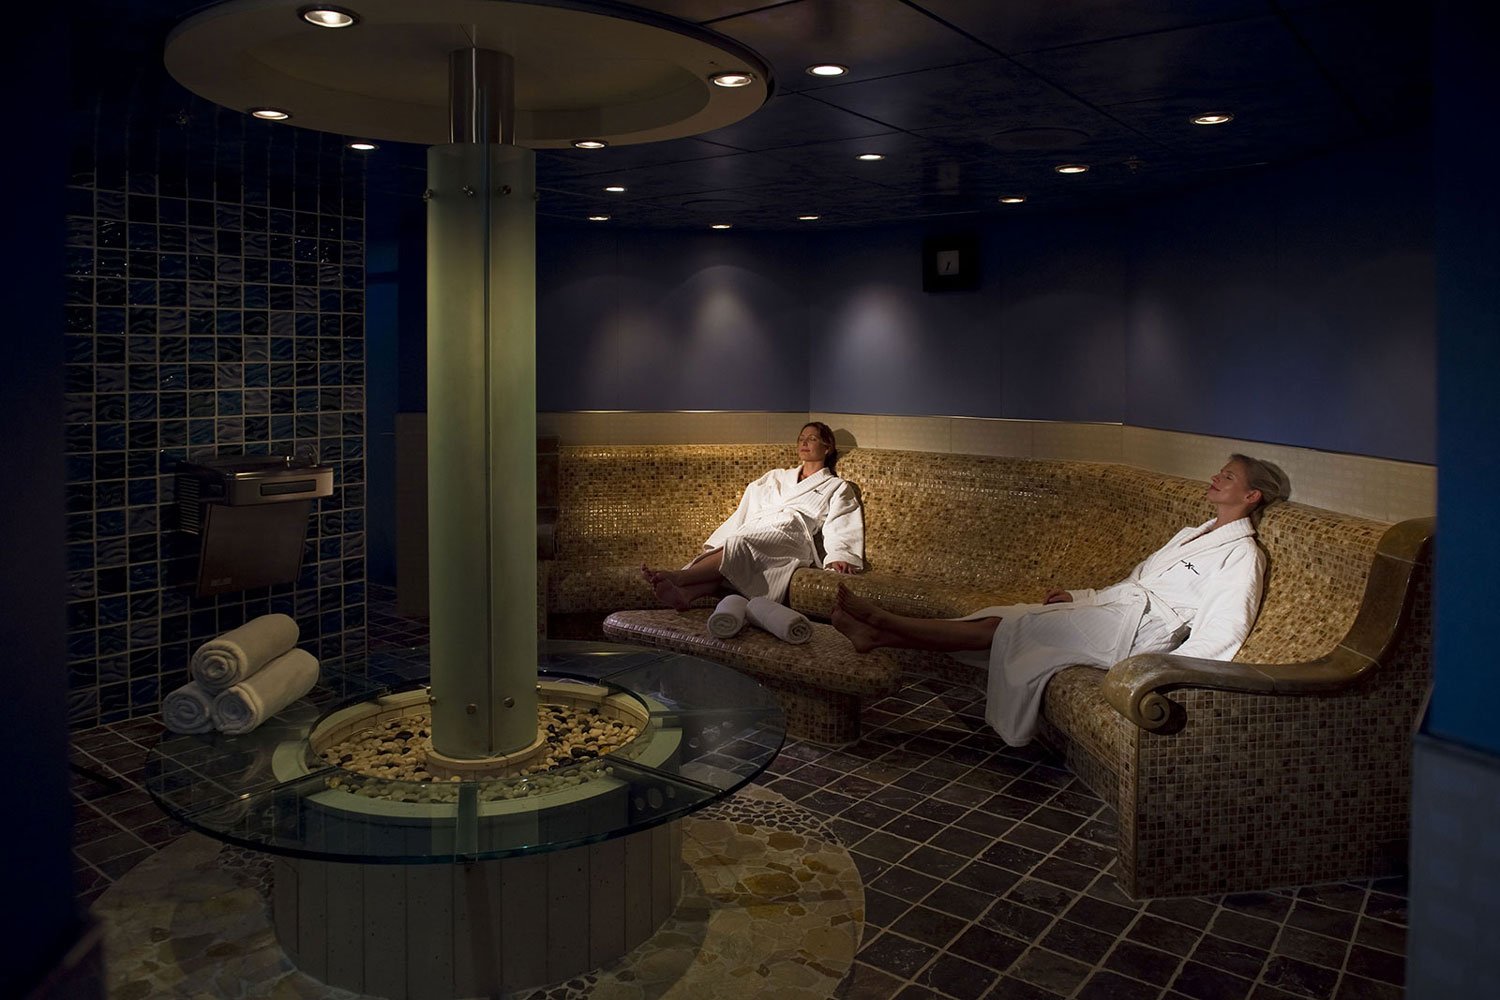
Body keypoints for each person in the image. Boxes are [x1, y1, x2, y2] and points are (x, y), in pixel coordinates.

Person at [832, 454, 1291, 746]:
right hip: (1115, 612)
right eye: (1220, 471)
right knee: (1005, 616)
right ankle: (879, 635)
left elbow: (1225, 627)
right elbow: (1136, 580)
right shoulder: (1195, 533)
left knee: (1008, 628)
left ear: (1251, 495)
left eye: (1228, 476)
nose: (1215, 477)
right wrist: (1083, 596)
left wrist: (1168, 673)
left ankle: (884, 623)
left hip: (1135, 635)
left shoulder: (1242, 555)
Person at [642, 422, 864, 610]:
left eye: (812, 439)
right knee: (737, 544)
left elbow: (841, 523)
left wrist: (840, 555)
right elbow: (748, 508)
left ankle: (680, 577)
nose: (804, 443)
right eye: (801, 439)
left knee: (739, 544)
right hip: (760, 528)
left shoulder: (836, 486)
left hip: (792, 535)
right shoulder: (776, 476)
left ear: (827, 447)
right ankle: (688, 595)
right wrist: (721, 540)